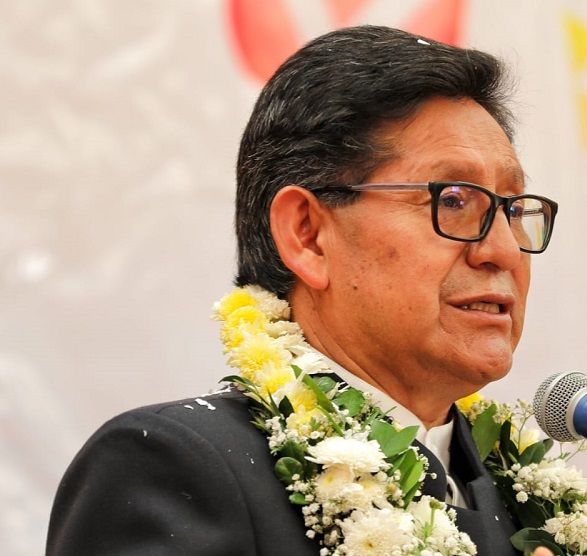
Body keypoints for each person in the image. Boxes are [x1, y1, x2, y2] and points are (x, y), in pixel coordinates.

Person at [47, 25, 559, 555]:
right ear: (308, 235)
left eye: (513, 208)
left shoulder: (529, 504)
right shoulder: (174, 469)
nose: (504, 250)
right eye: (453, 200)